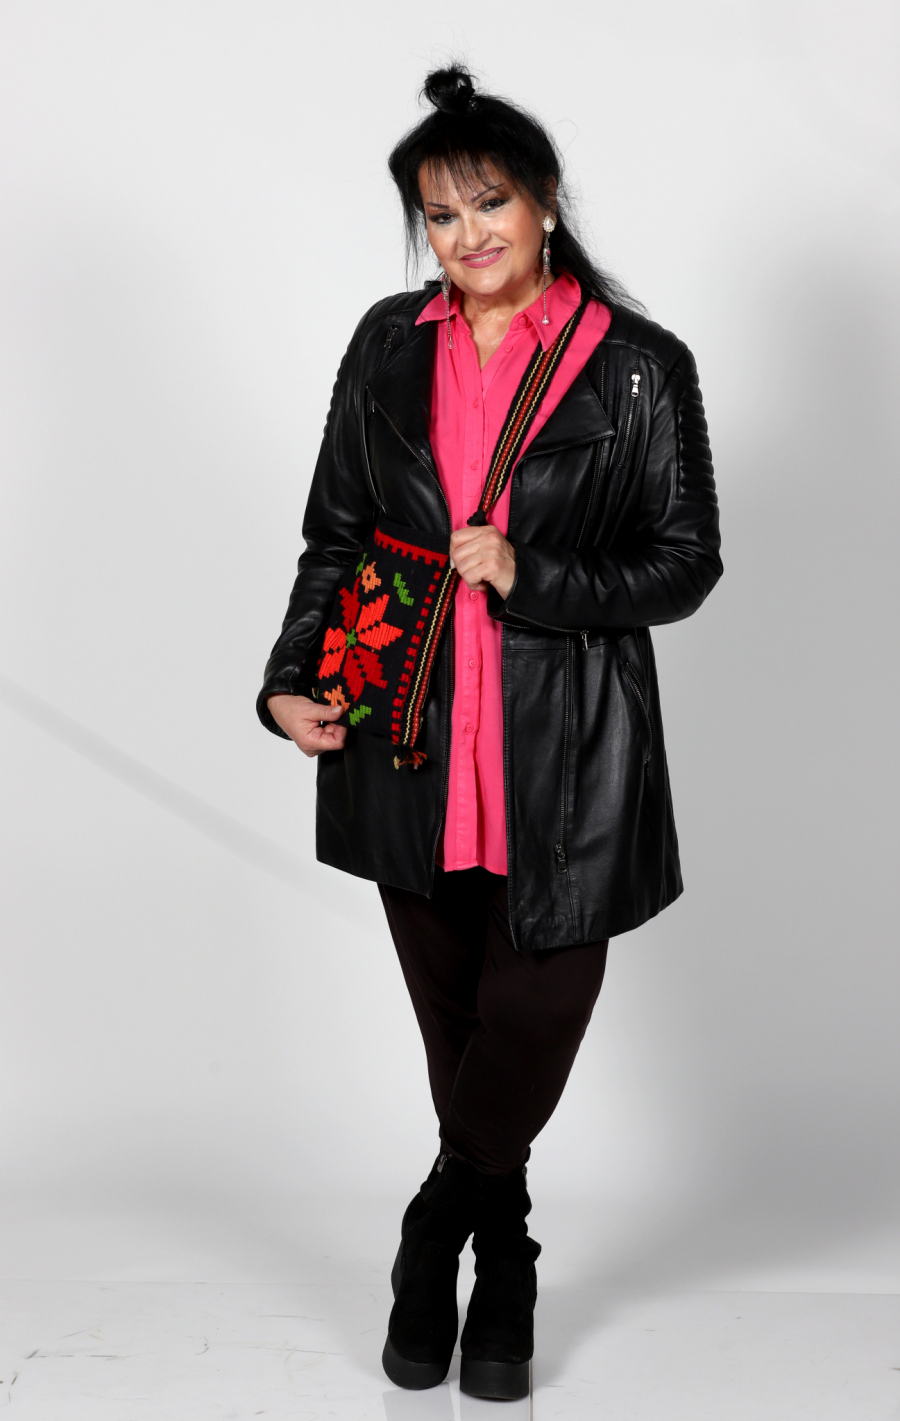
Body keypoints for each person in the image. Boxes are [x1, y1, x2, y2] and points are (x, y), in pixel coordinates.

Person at [257, 64, 722, 1402]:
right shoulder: (386, 343)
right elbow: (337, 532)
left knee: (535, 1008)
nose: (467, 235)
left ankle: (436, 1227)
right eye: (441, 215)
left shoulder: (638, 367)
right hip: (402, 731)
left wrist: (535, 574)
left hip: (568, 755)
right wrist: (287, 679)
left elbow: (686, 562)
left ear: (546, 200)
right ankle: (504, 1257)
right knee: (455, 1023)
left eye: (490, 203)